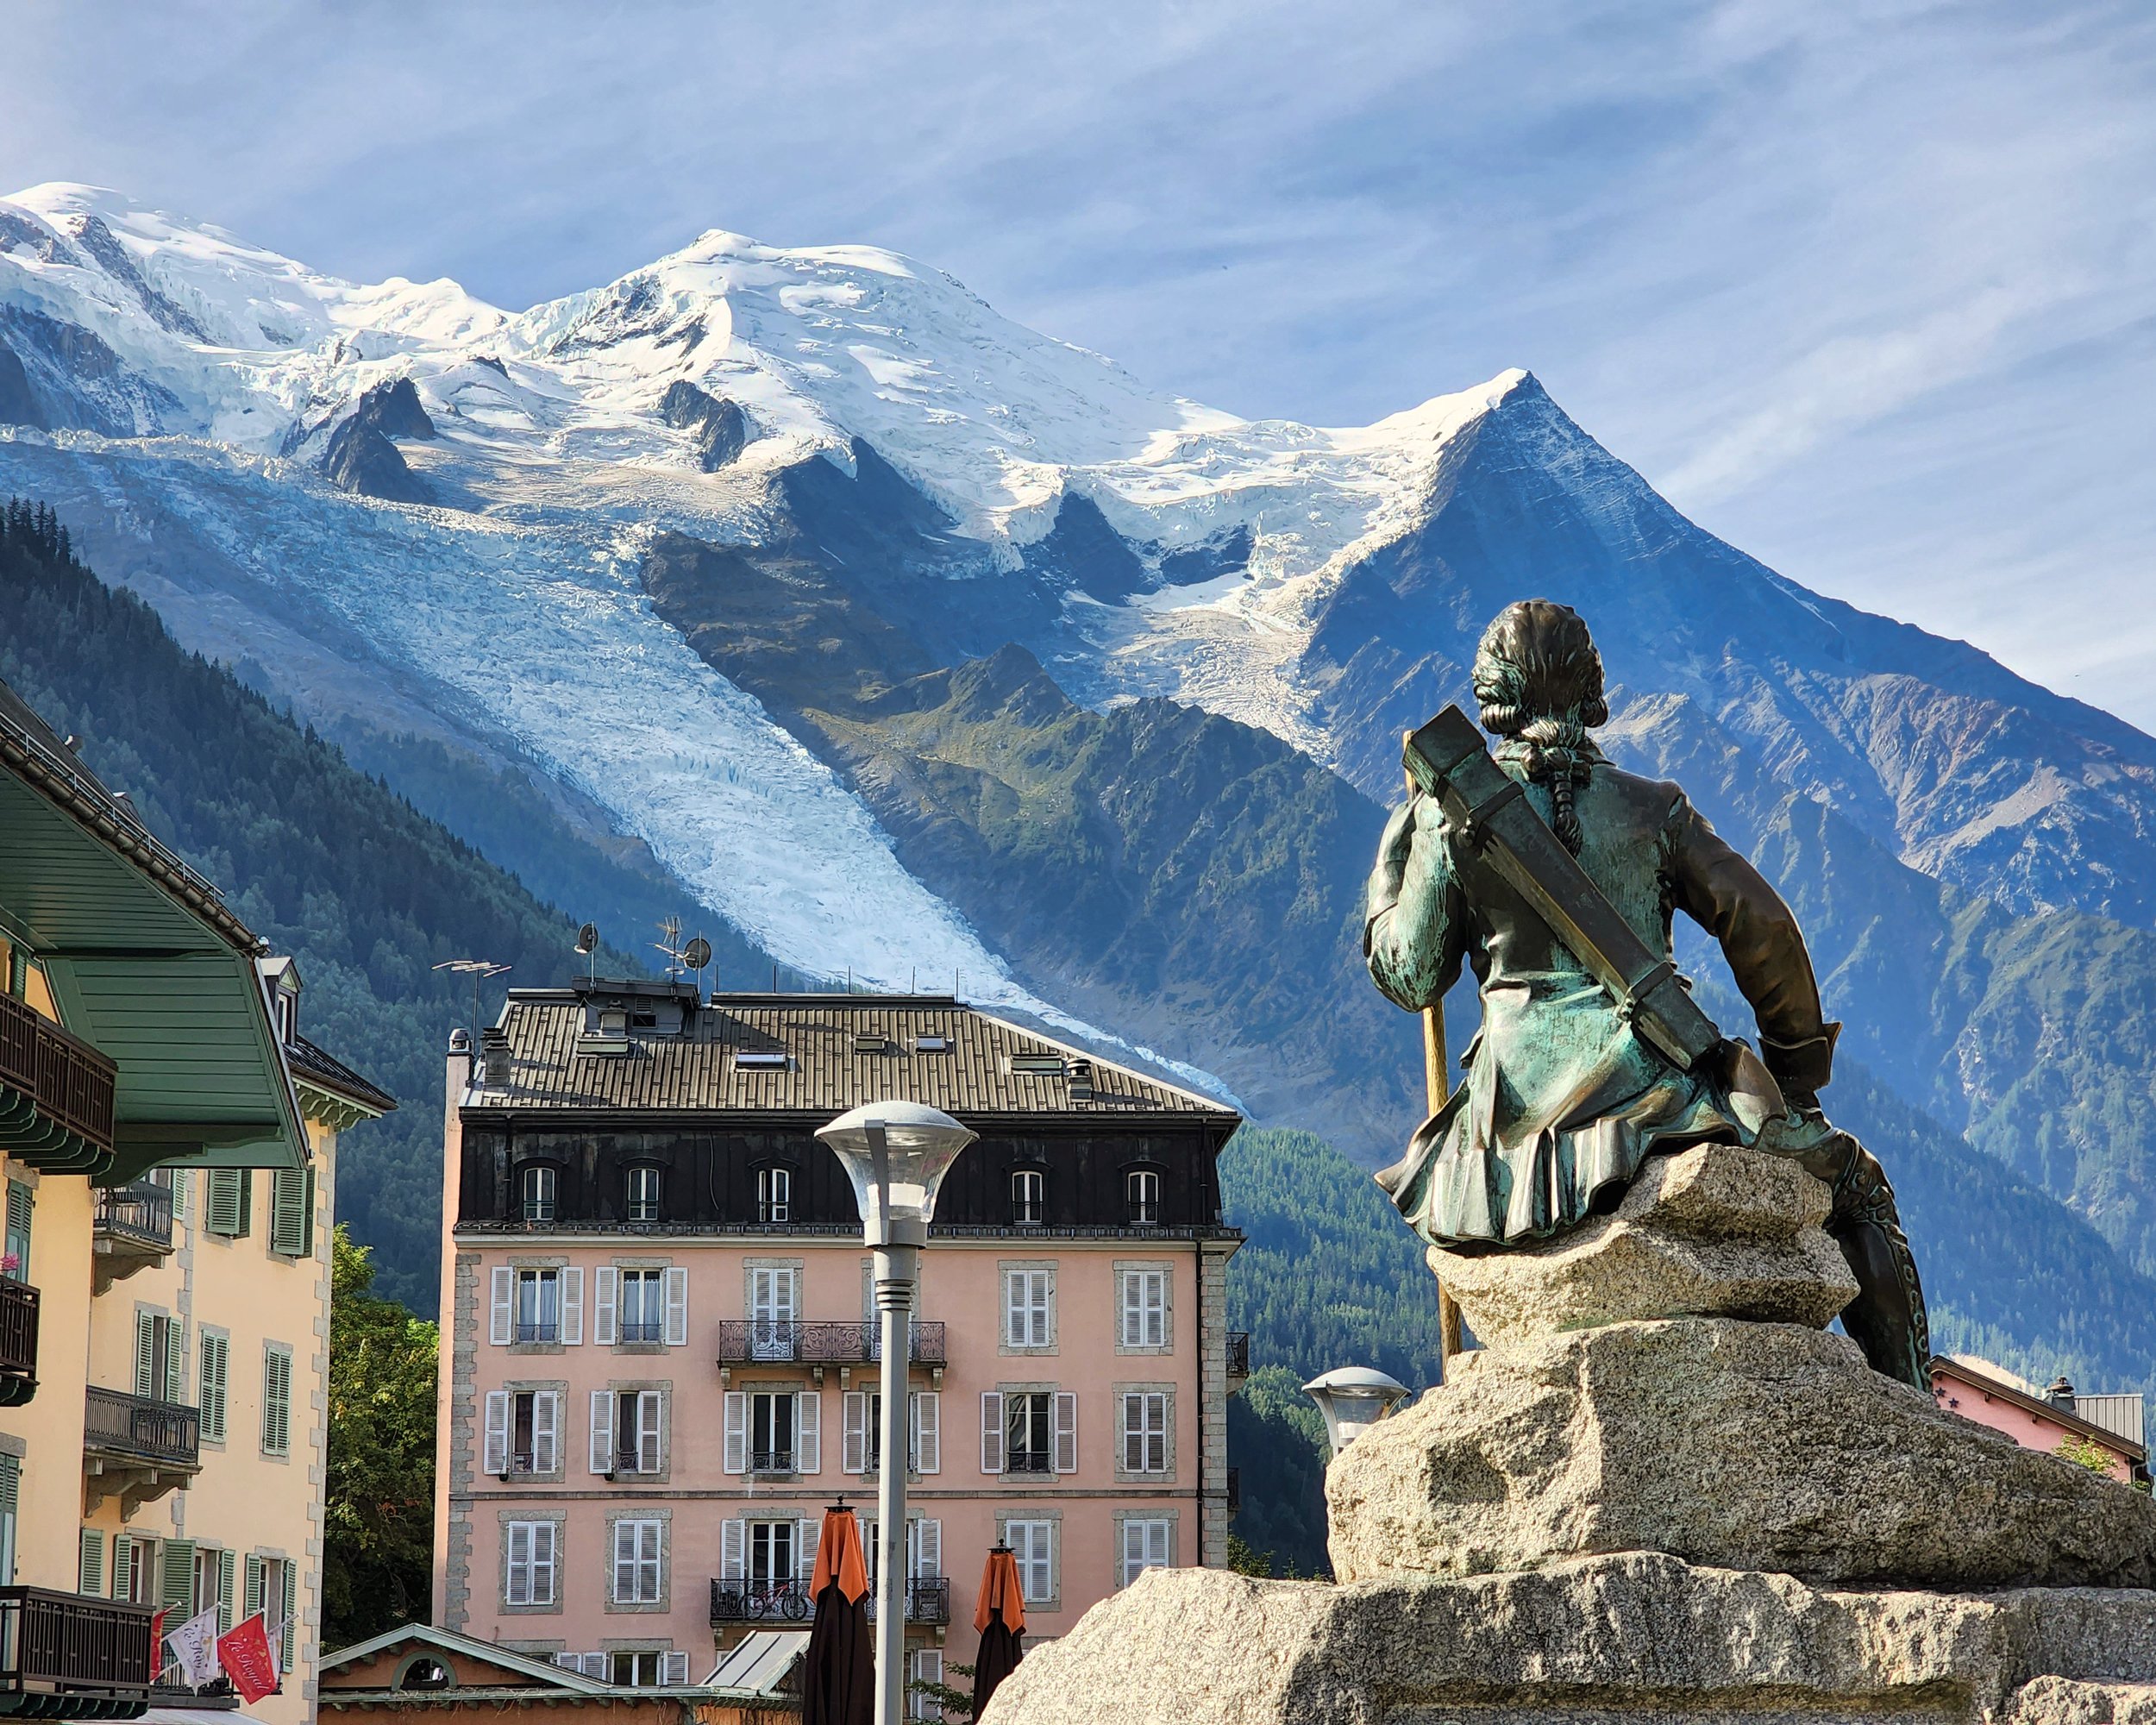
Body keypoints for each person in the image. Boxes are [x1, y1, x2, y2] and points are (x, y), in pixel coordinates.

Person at [1364, 599, 1930, 1387]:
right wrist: (1795, 1072)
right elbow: (1762, 924)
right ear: (1592, 690)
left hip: (1515, 1108)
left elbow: (1415, 974)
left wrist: (1394, 866)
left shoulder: (1442, 819)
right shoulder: (1654, 808)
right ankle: (1909, 1406)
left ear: (1496, 700)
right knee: (1857, 1188)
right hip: (1654, 1076)